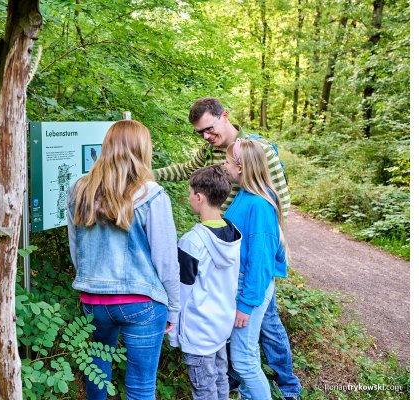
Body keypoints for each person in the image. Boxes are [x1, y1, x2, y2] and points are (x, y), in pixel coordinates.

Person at [154, 97, 302, 399]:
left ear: (225, 117)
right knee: (241, 334)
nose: (207, 137)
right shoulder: (213, 151)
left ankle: (288, 388)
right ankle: (234, 384)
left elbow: (278, 205)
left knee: (265, 327)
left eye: (209, 129)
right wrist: (148, 175)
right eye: (200, 133)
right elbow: (186, 170)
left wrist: (267, 252)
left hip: (253, 259)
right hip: (231, 254)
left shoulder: (257, 151)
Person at [67, 120, 181, 400]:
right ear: (142, 150)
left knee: (97, 373)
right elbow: (166, 259)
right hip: (141, 302)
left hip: (94, 301)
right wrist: (175, 306)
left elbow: (76, 249)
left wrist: (90, 281)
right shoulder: (152, 194)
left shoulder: (79, 190)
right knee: (141, 386)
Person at [223, 139, 290, 400]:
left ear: (241, 167)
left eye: (228, 162)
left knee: (244, 360)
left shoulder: (260, 205)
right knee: (242, 356)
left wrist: (246, 303)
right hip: (240, 283)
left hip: (249, 286)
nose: (224, 166)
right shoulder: (243, 195)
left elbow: (261, 262)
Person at [169, 166, 242, 400]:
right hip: (221, 326)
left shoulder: (192, 242)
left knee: (204, 390)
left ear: (199, 197)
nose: (189, 197)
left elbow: (182, 291)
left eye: (190, 193)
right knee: (220, 379)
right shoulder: (233, 233)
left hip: (199, 330)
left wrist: (173, 331)